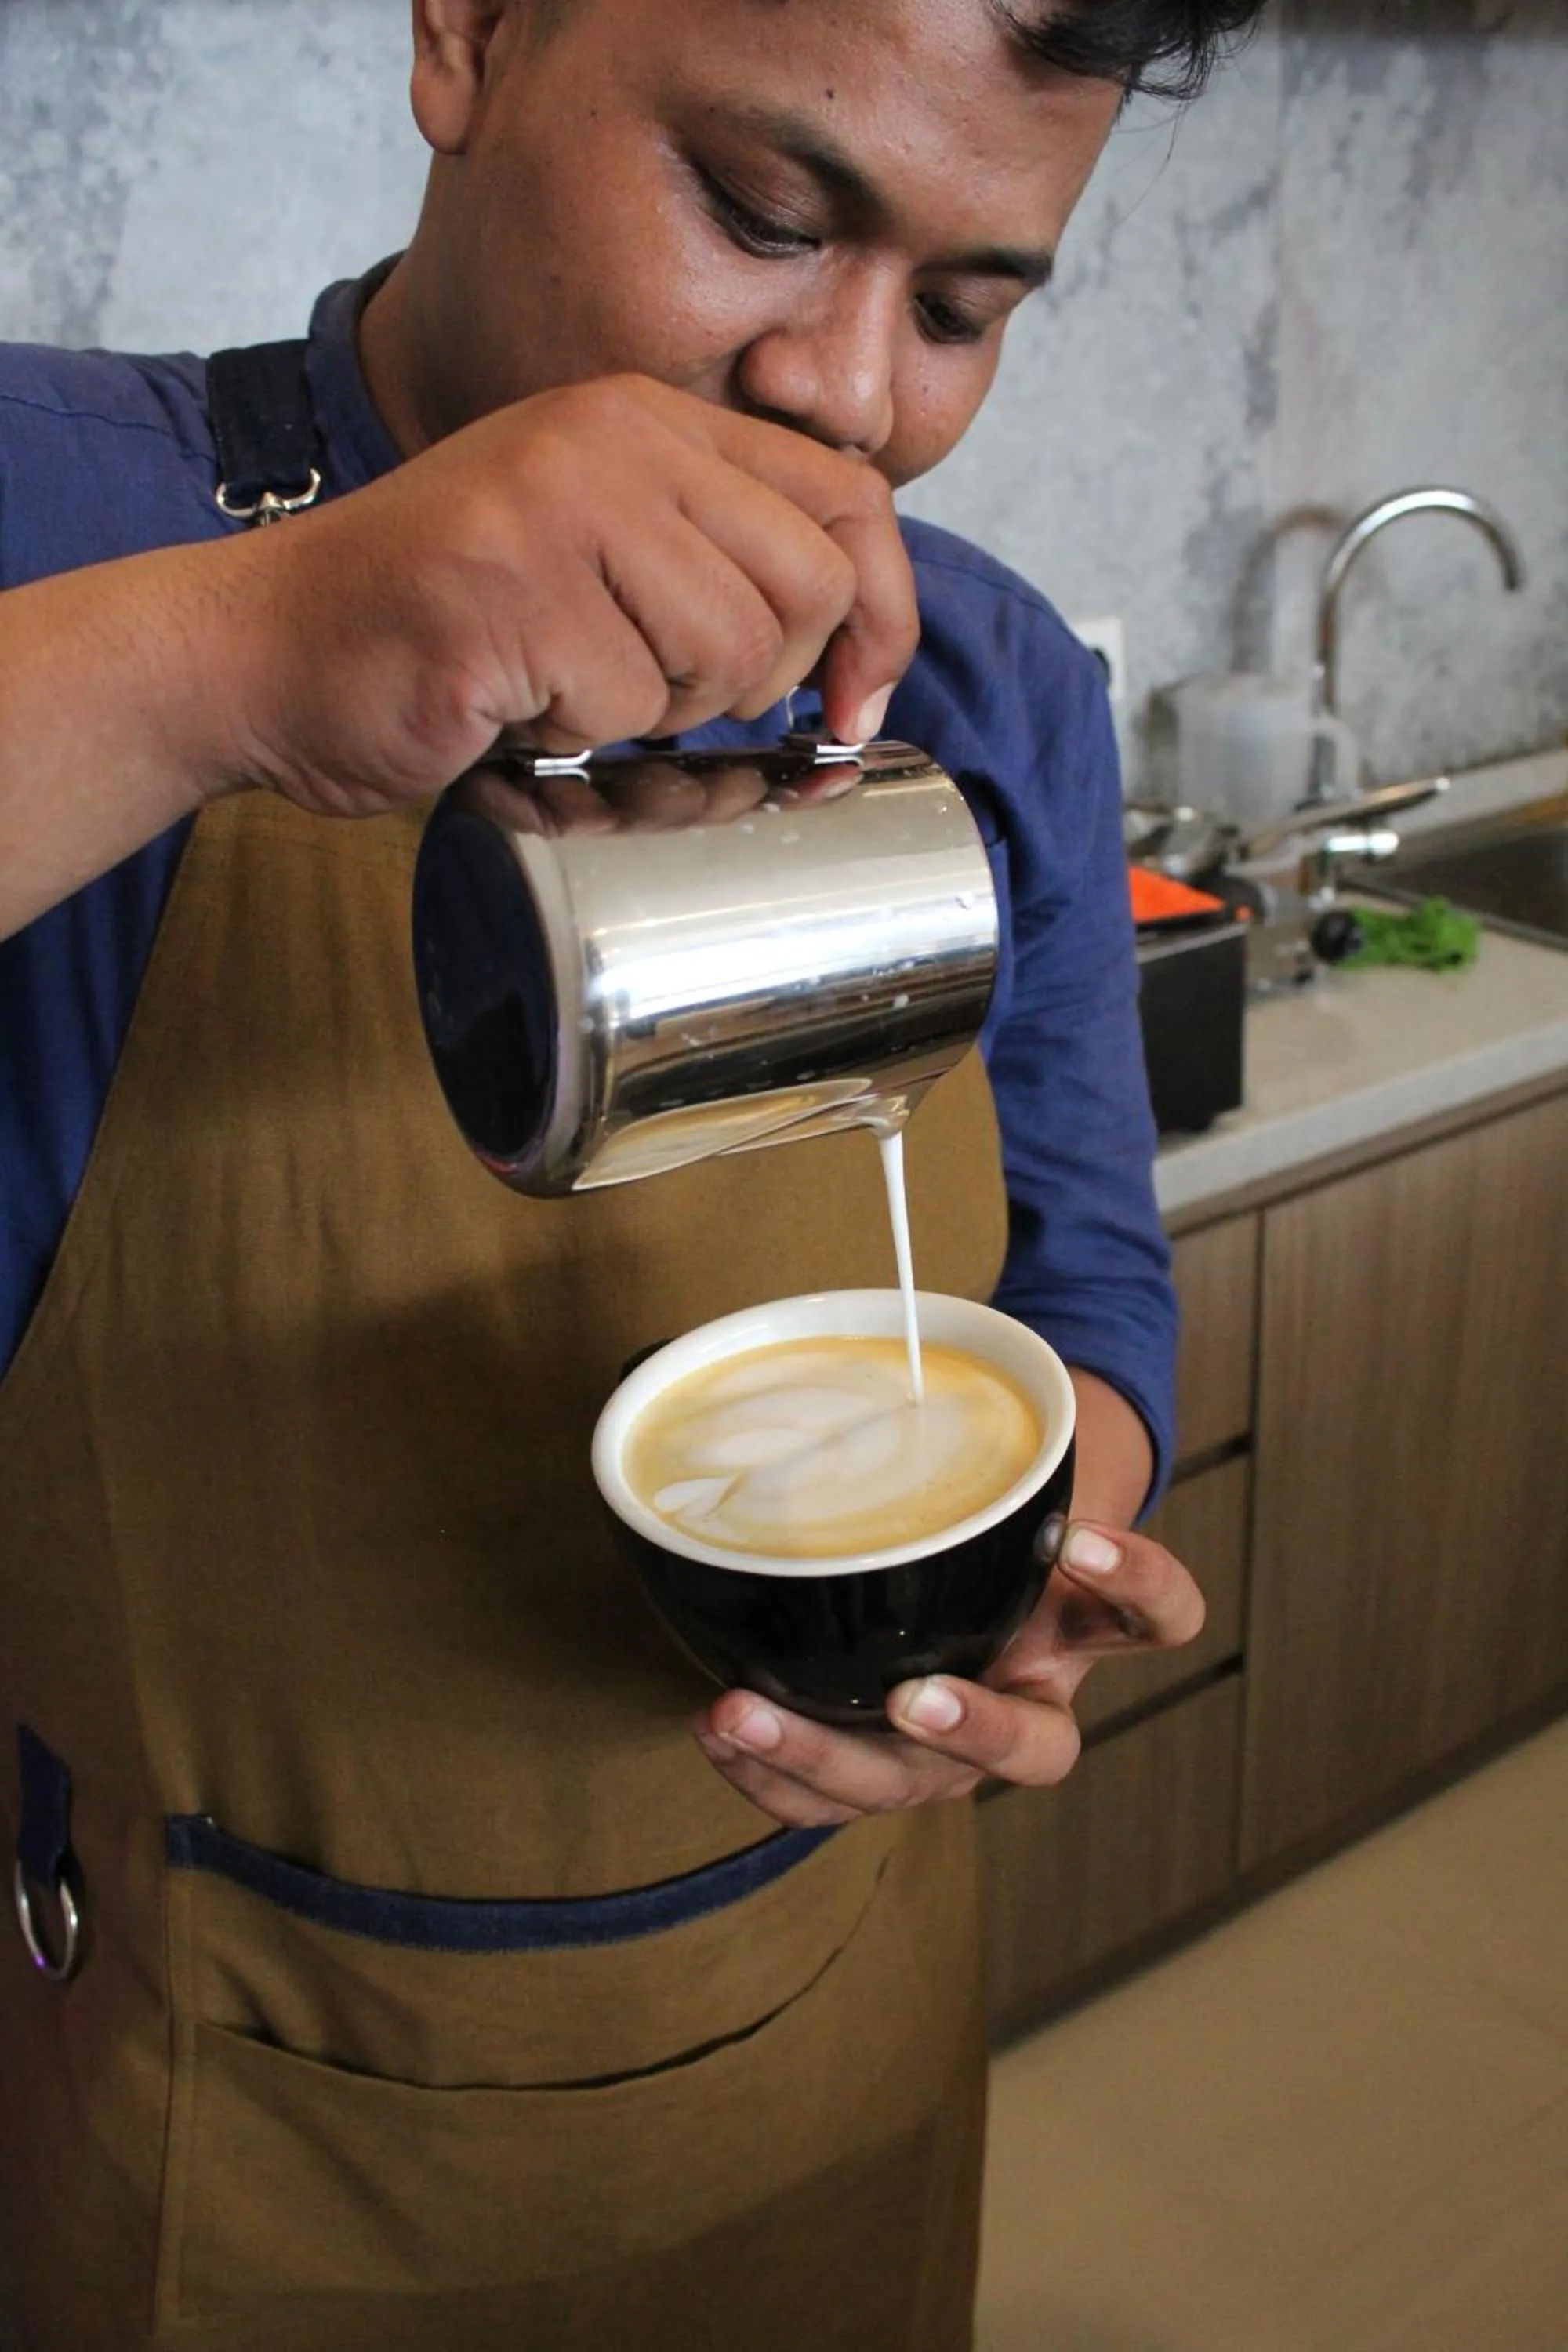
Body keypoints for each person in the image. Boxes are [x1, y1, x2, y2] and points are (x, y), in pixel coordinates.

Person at [0, 1, 1263, 2344]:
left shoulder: (977, 686)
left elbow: (1082, 1280)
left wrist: (1034, 1549)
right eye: (768, 215)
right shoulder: (67, 530)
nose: (853, 394)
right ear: (465, 34)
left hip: (829, 2065)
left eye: (966, 307)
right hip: (244, 2133)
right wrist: (238, 655)